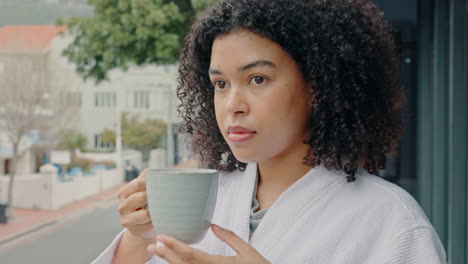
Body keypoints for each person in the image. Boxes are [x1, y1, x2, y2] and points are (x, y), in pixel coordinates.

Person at [92, 0, 446, 263]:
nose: (232, 104)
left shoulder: (390, 221)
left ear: (318, 86)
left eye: (257, 79)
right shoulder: (204, 203)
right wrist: (140, 238)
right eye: (220, 83)